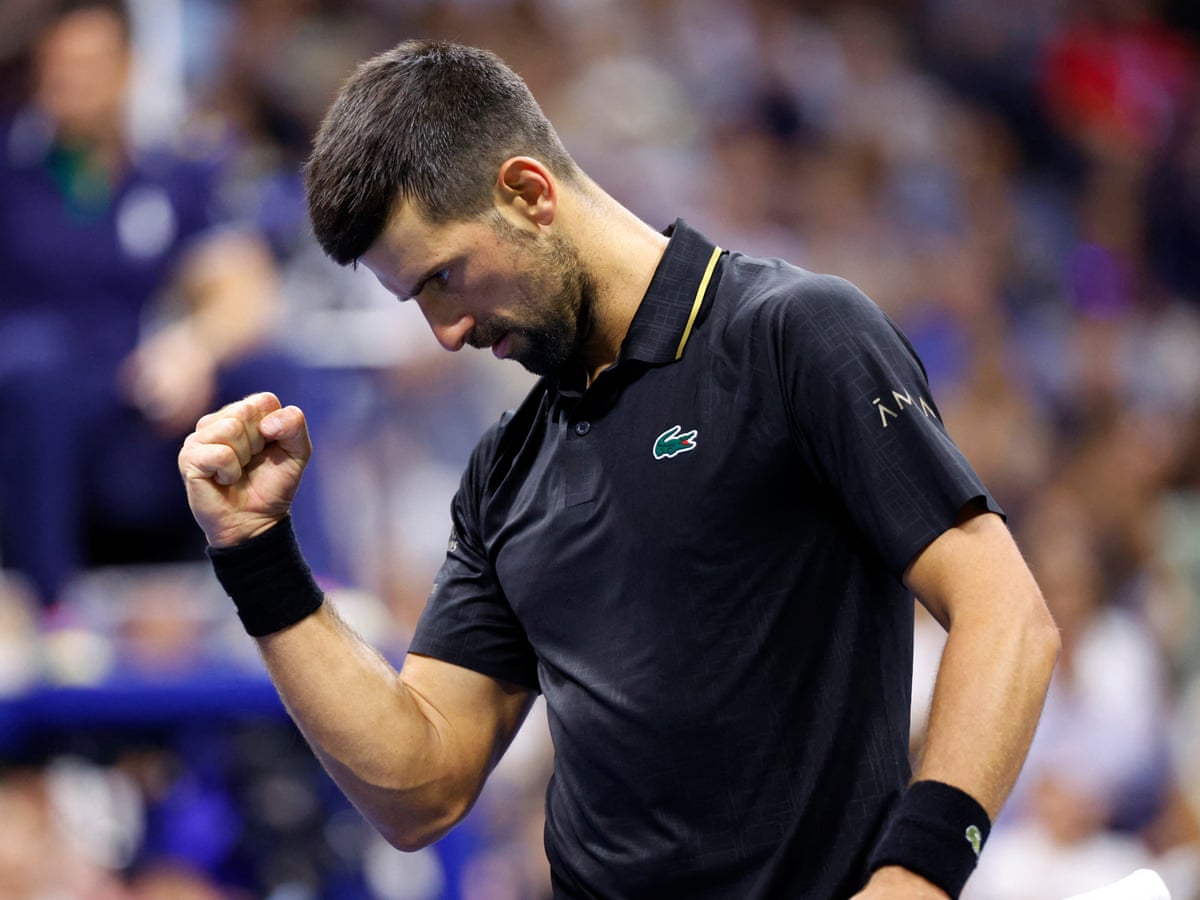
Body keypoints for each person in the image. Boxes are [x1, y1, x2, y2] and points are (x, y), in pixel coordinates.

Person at [178, 40, 1061, 899]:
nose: (444, 332)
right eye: (418, 300)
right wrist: (257, 554)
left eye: (446, 277)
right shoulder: (506, 472)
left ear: (527, 192)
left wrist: (919, 873)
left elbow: (1006, 614)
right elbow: (419, 786)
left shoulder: (794, 334)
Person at [0, 0, 332, 605]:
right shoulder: (11, 173)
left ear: (127, 68)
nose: (72, 81)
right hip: (37, 414)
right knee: (33, 370)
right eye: (59, 67)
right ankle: (50, 608)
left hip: (137, 401)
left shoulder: (174, 171)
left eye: (90, 63)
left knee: (272, 373)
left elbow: (240, 282)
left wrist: (191, 347)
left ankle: (314, 592)